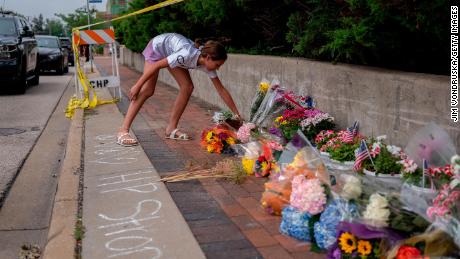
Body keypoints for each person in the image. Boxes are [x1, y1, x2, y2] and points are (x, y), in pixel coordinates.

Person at [117, 33, 241, 146]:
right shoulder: (186, 54)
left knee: (187, 86)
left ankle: (171, 128)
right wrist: (138, 85)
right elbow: (156, 65)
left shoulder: (206, 65)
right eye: (217, 65)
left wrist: (237, 115)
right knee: (147, 90)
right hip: (157, 48)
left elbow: (222, 90)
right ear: (208, 58)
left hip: (171, 52)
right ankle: (123, 131)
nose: (217, 69)